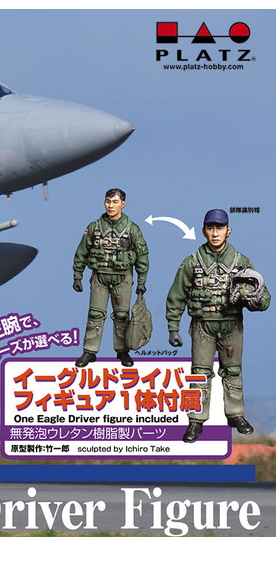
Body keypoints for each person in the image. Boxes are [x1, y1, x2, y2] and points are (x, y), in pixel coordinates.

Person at [166, 209, 269, 443]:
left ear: (228, 231)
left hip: (231, 325)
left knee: (233, 372)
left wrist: (253, 299)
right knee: (199, 374)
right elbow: (176, 296)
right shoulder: (192, 262)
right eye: (210, 228)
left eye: (220, 228)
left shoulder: (241, 262)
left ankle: (235, 415)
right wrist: (173, 327)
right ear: (204, 231)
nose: (215, 233)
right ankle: (195, 420)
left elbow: (262, 295)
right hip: (202, 326)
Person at [72, 188, 149, 368]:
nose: (110, 206)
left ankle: (122, 351)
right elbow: (82, 252)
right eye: (108, 201)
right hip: (99, 277)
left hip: (122, 278)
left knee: (122, 316)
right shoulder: (94, 227)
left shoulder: (132, 229)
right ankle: (89, 351)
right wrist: (77, 275)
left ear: (123, 204)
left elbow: (142, 255)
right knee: (95, 314)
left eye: (115, 202)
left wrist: (142, 280)